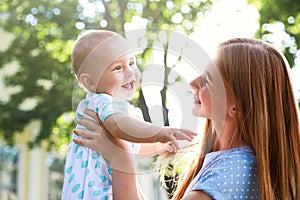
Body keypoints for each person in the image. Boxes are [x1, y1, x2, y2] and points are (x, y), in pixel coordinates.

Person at [74, 37, 300, 200]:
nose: (193, 82)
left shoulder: (231, 173)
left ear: (235, 107)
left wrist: (119, 158)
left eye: (208, 79)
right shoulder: (223, 162)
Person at [61, 30, 196, 200]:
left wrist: (157, 146)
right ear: (90, 82)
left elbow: (132, 146)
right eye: (118, 67)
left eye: (132, 63)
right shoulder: (103, 101)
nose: (130, 72)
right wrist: (159, 132)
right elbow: (118, 127)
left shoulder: (119, 109)